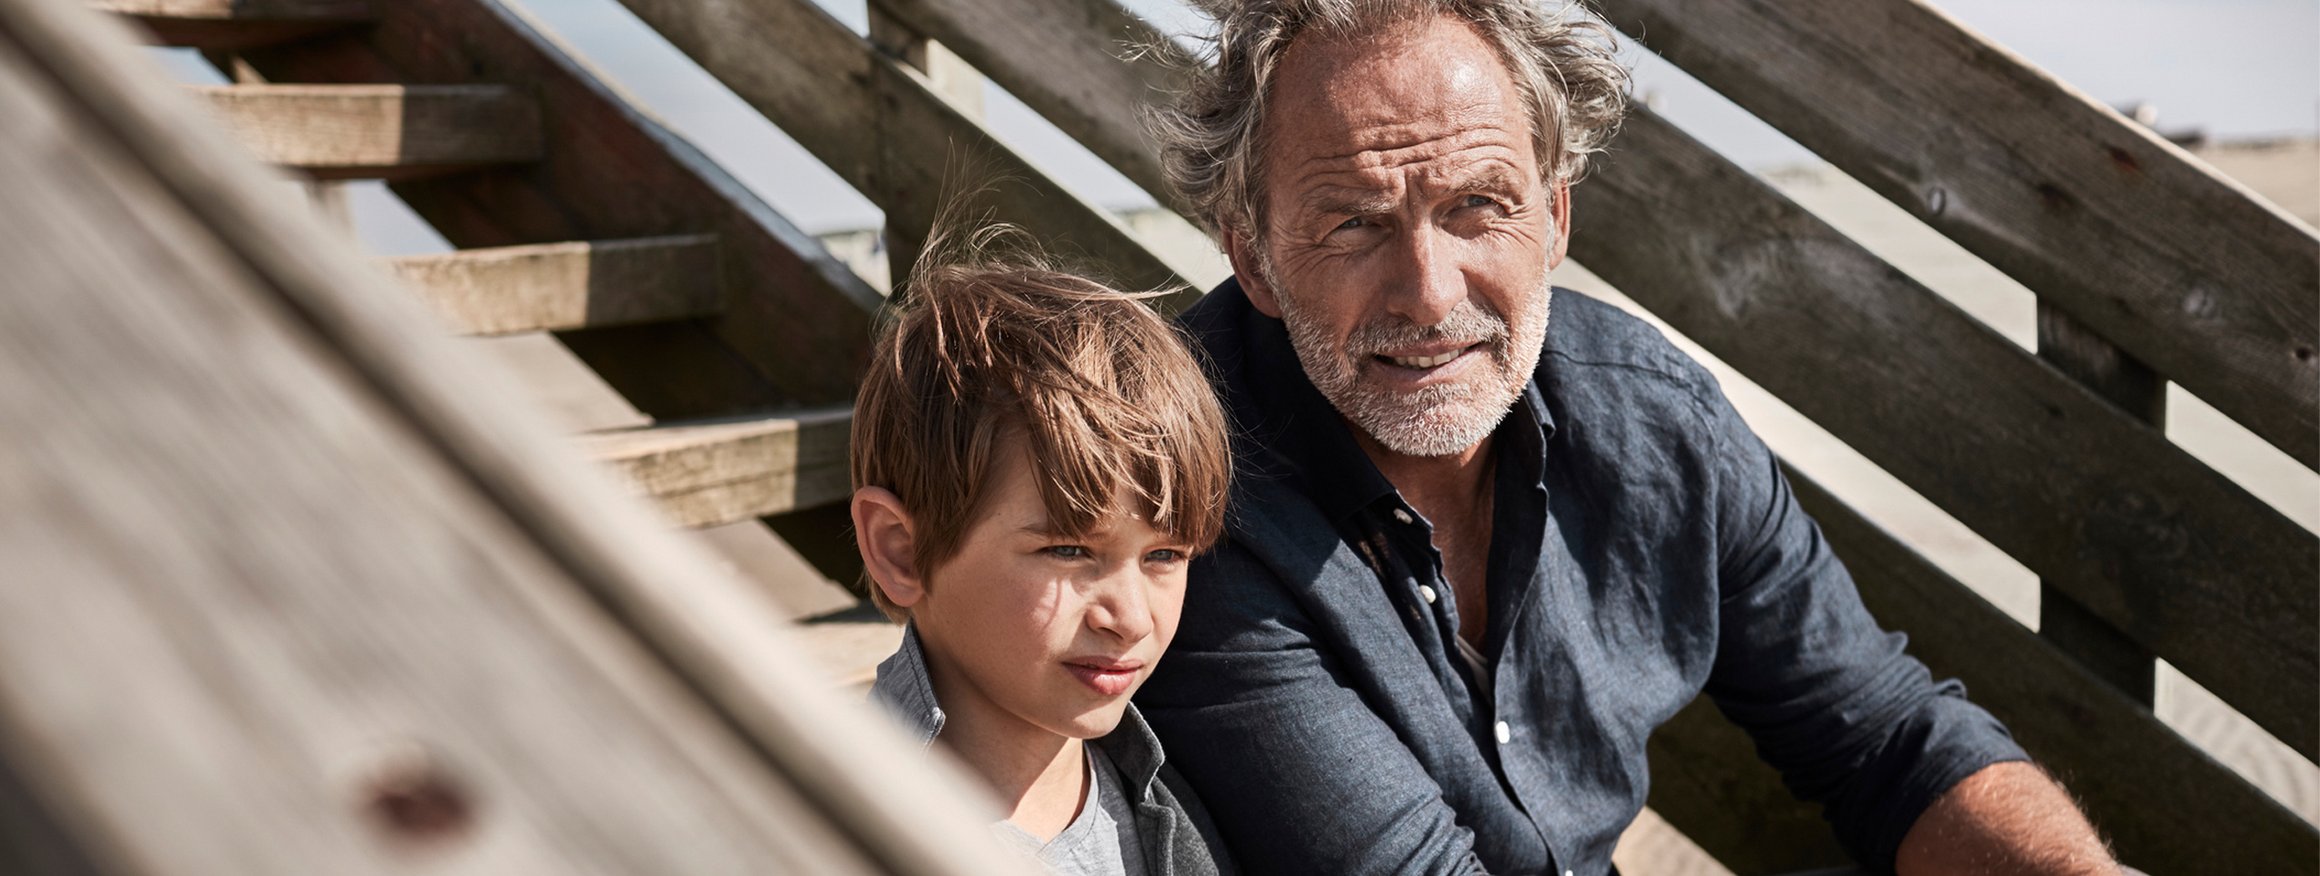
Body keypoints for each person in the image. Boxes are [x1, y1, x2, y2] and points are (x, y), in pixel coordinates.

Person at [1134, 0, 2124, 873]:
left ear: (1556, 218)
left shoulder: (1653, 420)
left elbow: (1886, 738)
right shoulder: (1185, 498)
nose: (1429, 295)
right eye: (1352, 225)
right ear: (1252, 259)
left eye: (1478, 207)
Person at [851, 242, 1239, 876]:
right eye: (1069, 550)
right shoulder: (825, 830)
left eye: (1166, 554)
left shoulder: (1203, 795)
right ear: (901, 550)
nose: (1131, 618)